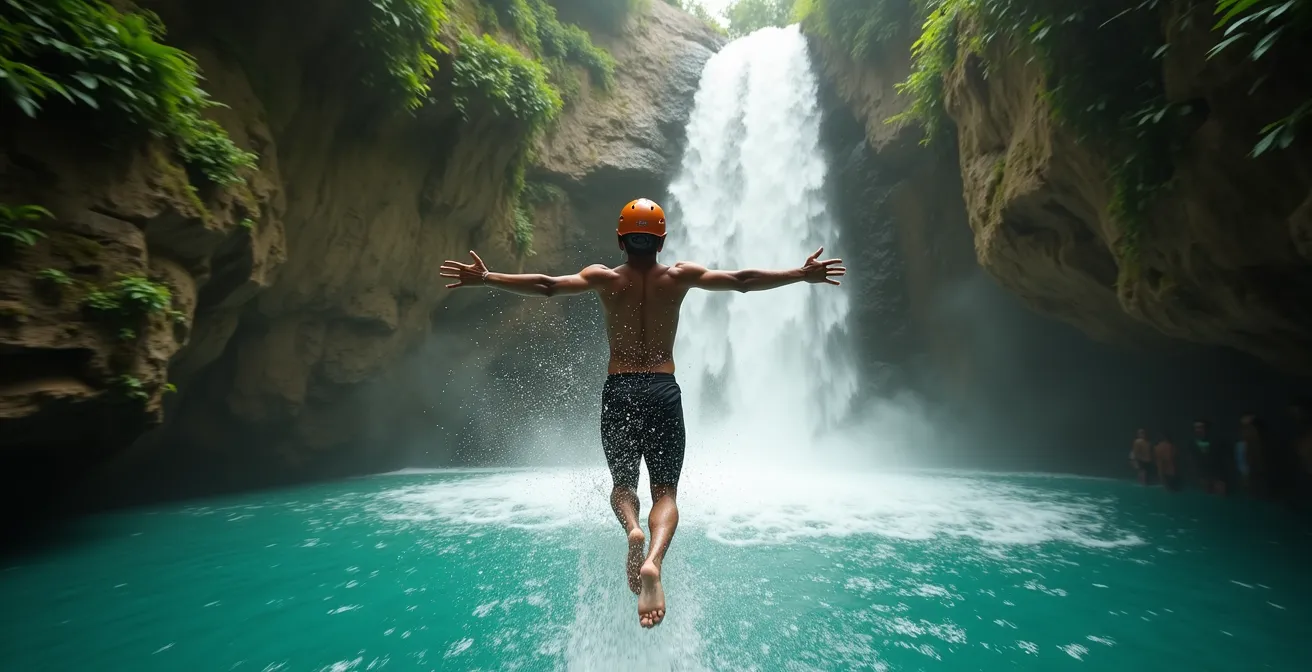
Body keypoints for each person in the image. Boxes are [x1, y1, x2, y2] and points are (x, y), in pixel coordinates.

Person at [439, 198, 846, 628]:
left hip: (620, 390)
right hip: (662, 390)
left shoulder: (604, 278)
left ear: (620, 239)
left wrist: (486, 278)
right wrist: (801, 274)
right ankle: (653, 560)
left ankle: (632, 527)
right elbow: (743, 281)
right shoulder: (680, 276)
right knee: (666, 493)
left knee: (622, 486)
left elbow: (546, 285)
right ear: (662, 241)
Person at [1190, 420, 1225, 495]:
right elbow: (1193, 461)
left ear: (1206, 428)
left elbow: (1222, 459)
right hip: (1202, 477)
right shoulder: (1192, 444)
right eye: (1196, 428)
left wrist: (1220, 479)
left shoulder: (1216, 441)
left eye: (1200, 427)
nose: (1198, 429)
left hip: (1217, 476)